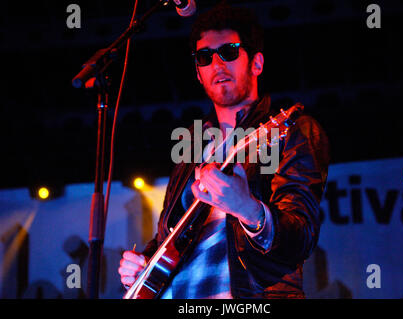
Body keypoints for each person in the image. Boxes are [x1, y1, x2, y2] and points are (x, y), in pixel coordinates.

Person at [118, 3, 330, 299]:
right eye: (204, 57)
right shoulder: (191, 144)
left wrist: (248, 208)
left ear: (256, 63)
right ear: (198, 73)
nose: (217, 64)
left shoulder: (290, 131)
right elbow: (171, 235)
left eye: (229, 52)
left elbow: (300, 239)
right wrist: (143, 266)